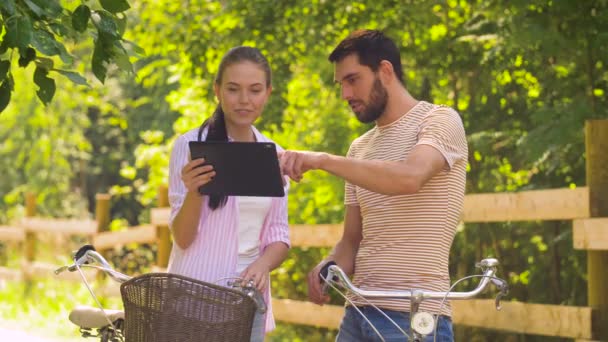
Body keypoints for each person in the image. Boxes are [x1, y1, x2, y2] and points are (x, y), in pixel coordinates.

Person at [279, 29, 468, 341]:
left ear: (385, 70)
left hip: (413, 316)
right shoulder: (360, 149)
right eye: (341, 84)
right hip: (357, 314)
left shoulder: (439, 121)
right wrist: (328, 266)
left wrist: (323, 160)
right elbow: (351, 243)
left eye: (353, 80)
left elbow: (410, 177)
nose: (345, 94)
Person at [166, 46, 290, 341]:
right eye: (233, 89)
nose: (244, 100)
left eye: (255, 90)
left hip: (250, 301)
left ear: (268, 93)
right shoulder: (189, 146)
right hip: (193, 299)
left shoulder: (273, 154)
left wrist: (261, 264)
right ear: (217, 90)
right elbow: (182, 238)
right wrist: (195, 192)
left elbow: (279, 235)